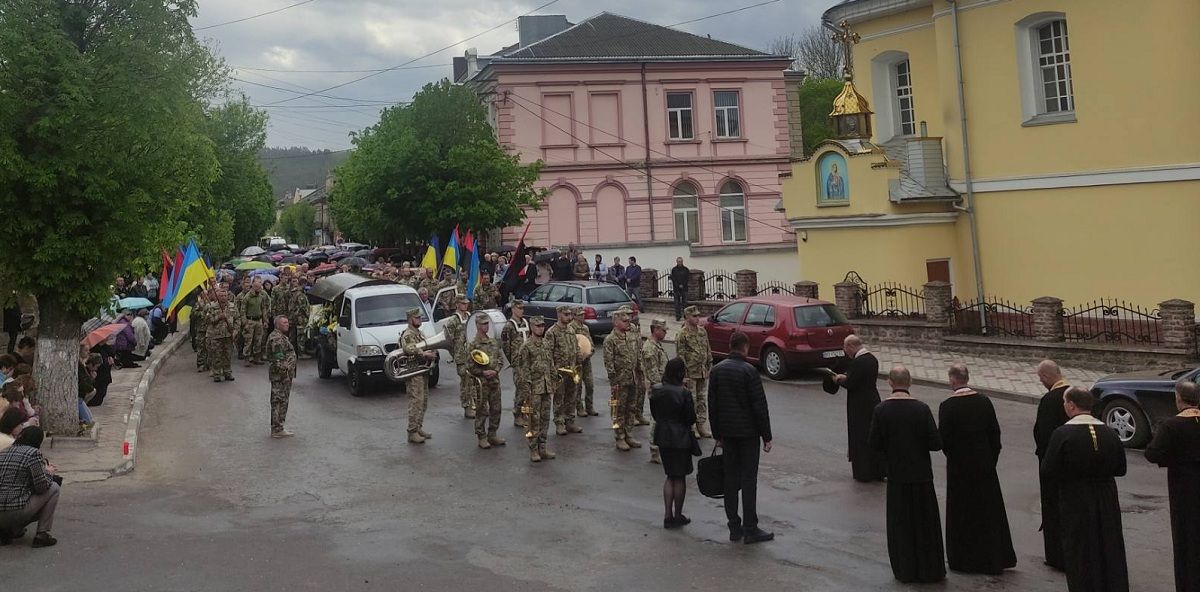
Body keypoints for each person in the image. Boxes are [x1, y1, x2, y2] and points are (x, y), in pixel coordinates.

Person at [1041, 387, 1129, 592]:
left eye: (1065, 402)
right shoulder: (1109, 432)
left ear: (1071, 405)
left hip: (1075, 497)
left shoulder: (1062, 433)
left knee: (1080, 546)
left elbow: (1048, 469)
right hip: (1106, 498)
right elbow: (1121, 469)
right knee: (1108, 543)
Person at [869, 365, 945, 583]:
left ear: (890, 383)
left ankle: (905, 570)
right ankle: (929, 569)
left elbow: (873, 444)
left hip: (897, 476)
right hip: (921, 476)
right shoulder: (922, 409)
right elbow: (936, 443)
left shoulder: (881, 410)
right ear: (910, 382)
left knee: (901, 525)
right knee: (925, 524)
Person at [938, 364, 1016, 574]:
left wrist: (955, 459)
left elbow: (944, 440)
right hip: (984, 466)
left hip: (959, 469)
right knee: (988, 513)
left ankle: (965, 559)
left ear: (952, 380)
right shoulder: (984, 401)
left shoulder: (948, 406)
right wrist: (990, 459)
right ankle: (993, 557)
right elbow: (995, 435)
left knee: (964, 515)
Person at [709, 331, 773, 544]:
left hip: (727, 434)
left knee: (730, 479)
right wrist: (766, 436)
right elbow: (759, 406)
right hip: (748, 434)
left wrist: (717, 434)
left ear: (730, 346)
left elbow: (712, 405)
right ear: (745, 347)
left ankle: (734, 527)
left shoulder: (717, 370)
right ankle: (750, 528)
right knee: (748, 480)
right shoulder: (749, 371)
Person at [1145, 381, 1200, 592]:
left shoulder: (1171, 425)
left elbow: (1153, 453)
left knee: (1186, 537)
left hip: (1184, 486)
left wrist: (1174, 459)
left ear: (1178, 400)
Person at [650, 357, 698, 529]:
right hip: (680, 438)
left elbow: (655, 414)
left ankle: (667, 515)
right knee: (679, 477)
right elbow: (690, 417)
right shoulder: (684, 393)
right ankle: (677, 515)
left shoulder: (656, 390)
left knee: (670, 476)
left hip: (663, 436)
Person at [1033, 359, 1071, 570]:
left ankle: (1056, 555)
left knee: (1054, 509)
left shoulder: (1050, 400)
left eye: (1041, 378)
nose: (1041, 382)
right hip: (1072, 463)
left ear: (1047, 376)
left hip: (1052, 463)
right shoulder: (1073, 393)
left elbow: (1044, 434)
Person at [833, 335, 885, 482]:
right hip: (872, 399)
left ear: (851, 346)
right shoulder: (872, 359)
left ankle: (864, 472)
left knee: (860, 436)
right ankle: (878, 470)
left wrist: (838, 380)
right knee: (872, 434)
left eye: (846, 348)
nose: (846, 352)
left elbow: (851, 383)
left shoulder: (858, 362)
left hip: (860, 404)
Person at [0, 426, 59, 548]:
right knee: (54, 487)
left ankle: (10, 530)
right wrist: (48, 473)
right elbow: (42, 487)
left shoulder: (4, 452)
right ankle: (41, 535)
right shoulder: (33, 453)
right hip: (15, 510)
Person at [515, 315, 556, 462]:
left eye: (542, 325)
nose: (541, 328)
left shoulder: (546, 344)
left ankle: (542, 448)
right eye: (538, 326)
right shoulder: (526, 347)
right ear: (532, 327)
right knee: (533, 420)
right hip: (534, 389)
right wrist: (527, 391)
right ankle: (533, 449)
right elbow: (523, 370)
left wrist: (553, 382)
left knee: (545, 419)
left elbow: (550, 365)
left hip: (546, 387)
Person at [603, 306, 643, 451]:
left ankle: (629, 434)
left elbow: (637, 356)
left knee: (631, 407)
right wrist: (613, 382)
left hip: (632, 378)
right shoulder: (610, 340)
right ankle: (619, 437)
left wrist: (640, 374)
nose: (628, 323)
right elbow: (609, 362)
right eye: (624, 321)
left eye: (628, 320)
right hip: (620, 381)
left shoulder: (631, 337)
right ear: (616, 322)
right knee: (619, 409)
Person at [468, 315, 505, 449]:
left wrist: (495, 370)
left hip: (494, 381)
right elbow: (469, 366)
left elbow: (500, 359)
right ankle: (481, 436)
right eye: (483, 324)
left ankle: (492, 434)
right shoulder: (473, 345)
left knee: (496, 409)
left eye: (487, 324)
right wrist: (482, 372)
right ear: (477, 325)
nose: (486, 326)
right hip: (482, 383)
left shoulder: (493, 342)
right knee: (482, 410)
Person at [400, 308, 436, 444]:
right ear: (410, 320)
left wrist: (431, 351)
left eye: (420, 317)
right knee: (416, 402)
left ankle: (418, 427)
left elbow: (425, 345)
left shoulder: (419, 333)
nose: (420, 320)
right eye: (417, 318)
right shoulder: (408, 334)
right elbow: (409, 348)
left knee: (423, 401)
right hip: (413, 371)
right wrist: (424, 353)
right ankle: (412, 431)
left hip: (422, 370)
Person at [677, 306, 713, 438]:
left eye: (698, 316)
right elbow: (680, 355)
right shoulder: (682, 334)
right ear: (687, 317)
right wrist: (683, 375)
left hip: (702, 371)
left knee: (701, 399)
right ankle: (691, 426)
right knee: (691, 400)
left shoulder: (702, 331)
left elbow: (707, 348)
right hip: (690, 373)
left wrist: (709, 364)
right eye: (694, 316)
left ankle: (701, 424)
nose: (697, 318)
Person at [547, 306, 582, 436]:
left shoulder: (571, 330)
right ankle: (559, 423)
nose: (569, 317)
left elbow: (575, 347)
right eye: (566, 314)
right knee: (559, 398)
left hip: (572, 369)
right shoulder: (552, 332)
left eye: (570, 314)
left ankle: (570, 421)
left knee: (571, 396)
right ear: (559, 314)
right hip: (559, 371)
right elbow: (548, 353)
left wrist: (579, 359)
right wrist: (552, 372)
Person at [642, 318, 669, 465]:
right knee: (656, 420)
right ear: (656, 330)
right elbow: (653, 375)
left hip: (662, 388)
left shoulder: (657, 345)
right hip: (657, 389)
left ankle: (660, 447)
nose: (665, 333)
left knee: (661, 419)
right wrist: (664, 388)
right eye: (663, 330)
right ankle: (654, 450)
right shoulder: (649, 348)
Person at [444, 296, 475, 418]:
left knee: (475, 382)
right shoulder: (453, 321)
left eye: (466, 303)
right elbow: (448, 340)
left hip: (473, 355)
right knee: (466, 383)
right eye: (462, 303)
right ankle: (467, 406)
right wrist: (455, 354)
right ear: (457, 304)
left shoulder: (470, 317)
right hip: (461, 357)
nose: (465, 305)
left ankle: (477, 405)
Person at [501, 301, 530, 428]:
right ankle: (517, 414)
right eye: (519, 308)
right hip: (518, 363)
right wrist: (514, 360)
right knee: (521, 390)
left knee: (529, 390)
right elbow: (505, 346)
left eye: (523, 308)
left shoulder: (525, 323)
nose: (521, 310)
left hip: (529, 361)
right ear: (513, 309)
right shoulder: (509, 326)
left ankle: (526, 414)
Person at [266, 317, 296, 438]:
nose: (287, 324)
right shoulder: (276, 339)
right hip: (280, 376)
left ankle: (279, 427)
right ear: (277, 325)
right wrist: (285, 374)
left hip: (283, 375)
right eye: (284, 322)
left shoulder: (281, 337)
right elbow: (277, 359)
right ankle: (277, 428)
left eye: (287, 322)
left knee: (282, 400)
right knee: (278, 401)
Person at [570, 306, 597, 417]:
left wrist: (591, 351)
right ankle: (579, 408)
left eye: (583, 314)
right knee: (578, 386)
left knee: (590, 384)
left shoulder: (585, 328)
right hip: (576, 362)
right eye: (580, 315)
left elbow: (589, 342)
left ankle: (589, 406)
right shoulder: (571, 328)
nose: (582, 316)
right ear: (574, 316)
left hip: (587, 361)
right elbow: (571, 345)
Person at [207, 290, 237, 382]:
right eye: (221, 296)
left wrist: (236, 330)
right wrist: (219, 317)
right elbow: (209, 320)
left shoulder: (232, 306)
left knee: (227, 355)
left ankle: (227, 372)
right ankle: (217, 374)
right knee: (217, 355)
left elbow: (237, 319)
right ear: (218, 297)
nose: (223, 297)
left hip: (228, 334)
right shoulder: (212, 307)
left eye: (225, 295)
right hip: (216, 335)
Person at [241, 278, 271, 366]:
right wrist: (245, 323)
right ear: (253, 287)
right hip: (250, 320)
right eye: (257, 287)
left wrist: (265, 320)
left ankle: (257, 357)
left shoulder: (261, 297)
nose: (259, 289)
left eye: (260, 287)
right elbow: (243, 311)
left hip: (259, 320)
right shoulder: (247, 297)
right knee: (248, 340)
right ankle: (246, 358)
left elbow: (263, 308)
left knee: (258, 339)